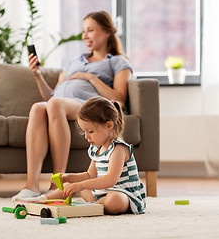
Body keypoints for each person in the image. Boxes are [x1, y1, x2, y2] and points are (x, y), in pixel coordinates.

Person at [12, 11, 133, 201]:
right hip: (60, 102)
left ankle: (56, 182)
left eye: (91, 30)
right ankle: (31, 185)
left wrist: (89, 77)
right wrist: (38, 76)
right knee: (38, 107)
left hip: (88, 106)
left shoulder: (117, 61)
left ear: (107, 32)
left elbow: (119, 99)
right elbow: (52, 95)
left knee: (55, 105)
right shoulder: (74, 61)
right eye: (83, 31)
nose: (85, 36)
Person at [19, 97, 146, 215]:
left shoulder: (119, 149)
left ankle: (96, 205)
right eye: (84, 131)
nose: (86, 136)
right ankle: (42, 199)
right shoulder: (97, 148)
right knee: (71, 185)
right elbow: (90, 175)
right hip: (102, 193)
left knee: (115, 200)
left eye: (90, 131)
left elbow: (110, 179)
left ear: (109, 125)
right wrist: (69, 177)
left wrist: (81, 185)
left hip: (124, 194)